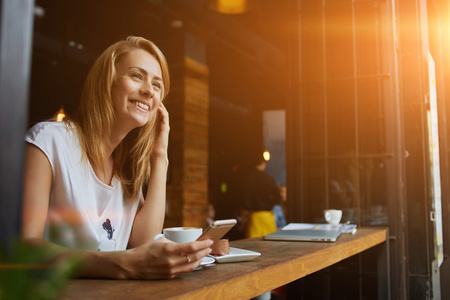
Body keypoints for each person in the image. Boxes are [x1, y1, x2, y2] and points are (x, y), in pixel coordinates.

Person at [21, 36, 213, 279]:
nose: (148, 90)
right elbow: (25, 248)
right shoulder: (48, 141)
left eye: (157, 85)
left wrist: (160, 156)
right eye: (136, 76)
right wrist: (121, 264)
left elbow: (143, 242)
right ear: (106, 81)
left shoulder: (127, 169)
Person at [240, 156, 281, 238]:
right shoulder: (270, 179)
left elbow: (244, 201)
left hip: (254, 217)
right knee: (271, 243)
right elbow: (278, 199)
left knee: (252, 245)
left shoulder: (247, 179)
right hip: (268, 216)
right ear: (263, 163)